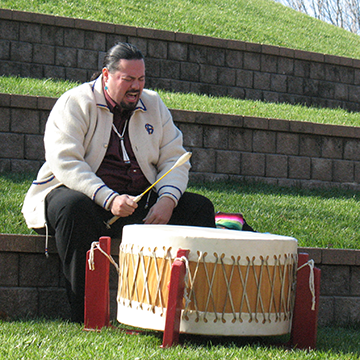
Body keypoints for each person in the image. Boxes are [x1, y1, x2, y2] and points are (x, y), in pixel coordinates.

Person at [22, 42, 215, 323]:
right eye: (128, 79)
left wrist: (167, 201)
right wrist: (109, 199)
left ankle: (191, 315)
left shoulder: (154, 104)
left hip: (138, 204)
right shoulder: (74, 102)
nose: (136, 87)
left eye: (141, 79)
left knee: (199, 208)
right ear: (106, 75)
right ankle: (87, 315)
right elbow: (65, 161)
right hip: (85, 198)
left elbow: (176, 157)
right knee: (71, 207)